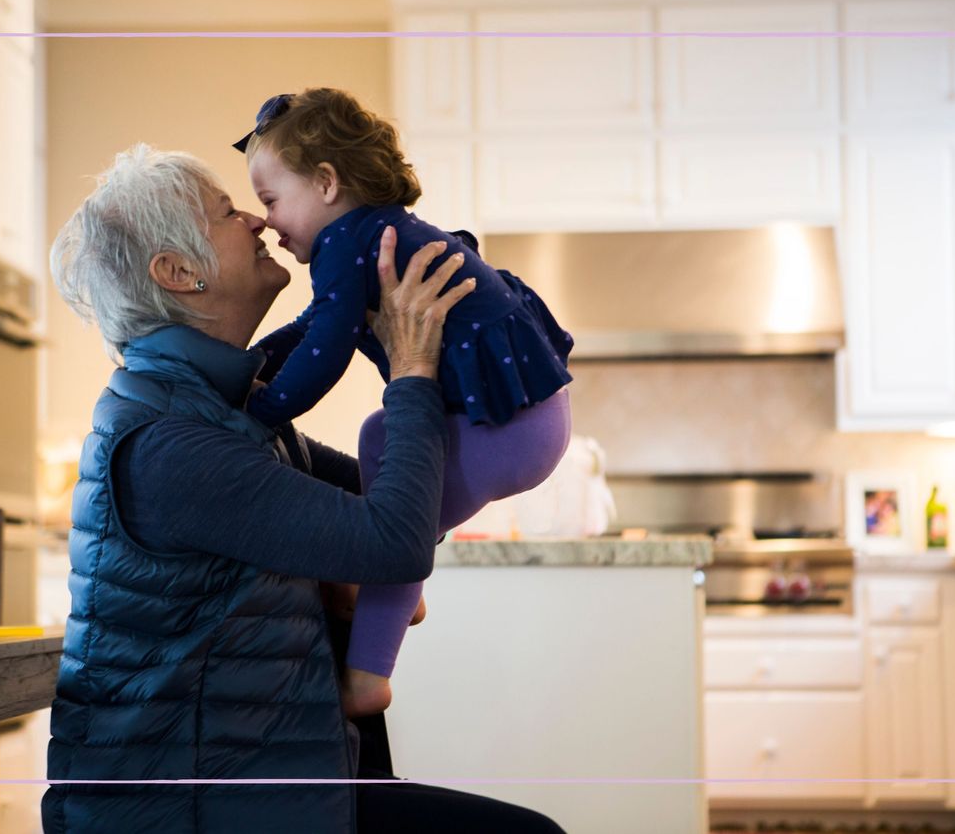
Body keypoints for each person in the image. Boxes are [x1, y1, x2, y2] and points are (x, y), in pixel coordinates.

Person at [42, 144, 565, 834]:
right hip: (190, 812)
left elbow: (399, 508)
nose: (258, 223)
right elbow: (397, 541)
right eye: (229, 212)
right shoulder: (170, 443)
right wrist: (412, 368)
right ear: (178, 273)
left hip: (260, 791)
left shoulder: (227, 413)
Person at [234, 88, 575, 716]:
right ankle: (396, 589)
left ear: (327, 184)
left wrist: (266, 405)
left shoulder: (346, 243)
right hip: (529, 419)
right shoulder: (372, 233)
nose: (269, 223)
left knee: (392, 493)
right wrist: (250, 367)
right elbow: (315, 325)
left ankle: (368, 674)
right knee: (380, 436)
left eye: (271, 201)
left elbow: (329, 347)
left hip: (508, 427)